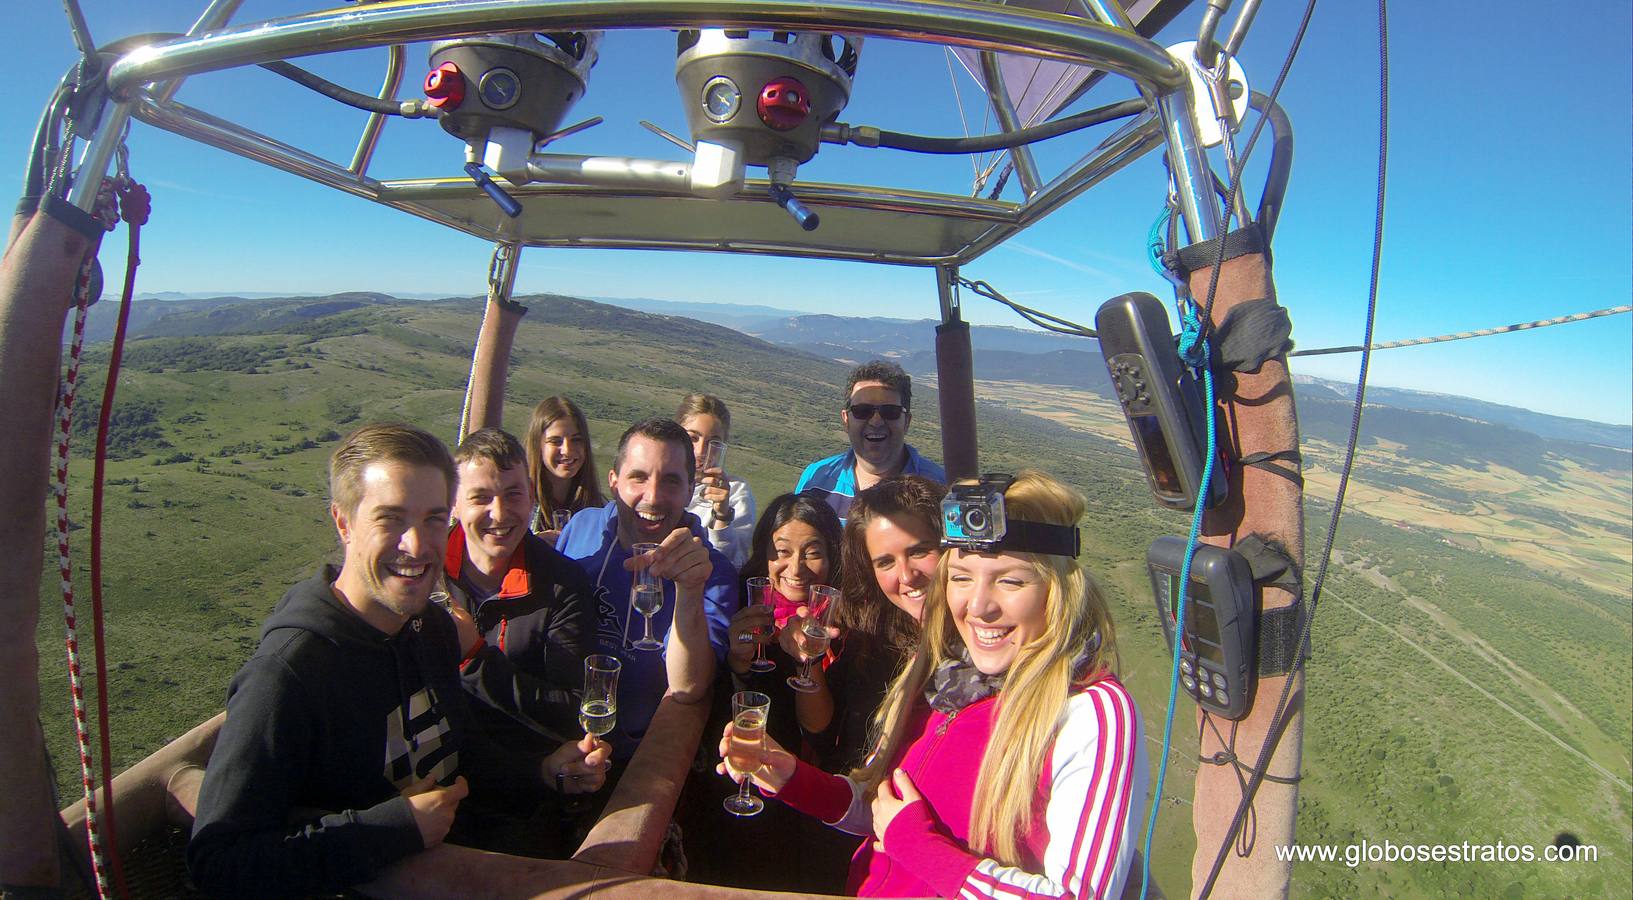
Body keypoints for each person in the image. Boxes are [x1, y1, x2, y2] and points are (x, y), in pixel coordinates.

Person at [188, 423, 610, 897]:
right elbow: (220, 863)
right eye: (391, 519)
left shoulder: (427, 629)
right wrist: (392, 828)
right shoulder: (288, 675)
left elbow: (459, 749)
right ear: (343, 523)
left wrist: (541, 770)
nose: (416, 545)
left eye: (432, 519)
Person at [720, 471, 1147, 899]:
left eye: (1011, 580)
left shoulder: (1089, 713)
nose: (978, 606)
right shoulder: (948, 679)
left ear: (1058, 589)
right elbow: (885, 811)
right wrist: (792, 777)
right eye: (962, 577)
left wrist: (918, 847)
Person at [556, 417, 738, 758]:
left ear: (689, 490)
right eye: (638, 477)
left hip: (636, 757)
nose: (653, 497)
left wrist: (689, 588)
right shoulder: (583, 528)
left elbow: (687, 686)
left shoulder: (712, 572)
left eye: (671, 482)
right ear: (613, 481)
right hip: (557, 736)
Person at [444, 427, 597, 748]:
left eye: (513, 494)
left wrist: (475, 659)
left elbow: (572, 709)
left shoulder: (562, 583)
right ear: (453, 504)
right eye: (481, 497)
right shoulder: (427, 572)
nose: (499, 514)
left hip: (524, 769)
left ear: (530, 495)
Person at [795, 361, 945, 524]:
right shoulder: (816, 479)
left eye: (890, 412)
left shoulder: (938, 487)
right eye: (862, 411)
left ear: (906, 421)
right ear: (846, 420)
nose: (876, 421)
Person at [677, 392, 757, 568]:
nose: (700, 451)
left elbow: (735, 563)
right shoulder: (659, 482)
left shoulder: (735, 491)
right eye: (692, 438)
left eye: (713, 442)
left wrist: (722, 515)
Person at [525, 396, 604, 542]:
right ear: (538, 446)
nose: (567, 450)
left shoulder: (599, 508)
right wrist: (533, 545)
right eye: (555, 441)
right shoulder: (520, 504)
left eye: (576, 440)